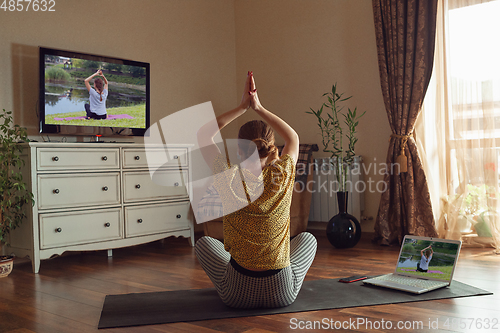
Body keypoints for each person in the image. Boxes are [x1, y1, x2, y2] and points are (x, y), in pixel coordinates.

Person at [194, 72, 317, 309]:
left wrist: (243, 106)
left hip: (235, 295)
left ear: (239, 150)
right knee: (308, 239)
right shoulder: (283, 174)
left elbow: (203, 135)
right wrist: (258, 107)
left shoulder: (226, 176)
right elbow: (293, 137)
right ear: (272, 148)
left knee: (205, 244)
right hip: (282, 294)